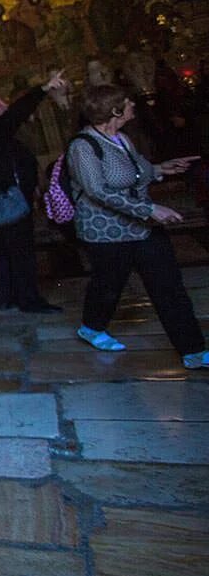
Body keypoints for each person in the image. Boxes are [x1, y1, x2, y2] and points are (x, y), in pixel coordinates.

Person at [65, 84, 207, 369]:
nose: (133, 106)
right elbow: (99, 191)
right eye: (127, 103)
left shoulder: (122, 138)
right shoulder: (83, 147)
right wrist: (150, 208)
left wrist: (162, 168)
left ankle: (193, 351)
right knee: (109, 286)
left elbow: (136, 170)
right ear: (115, 111)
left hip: (142, 228)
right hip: (107, 234)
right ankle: (91, 328)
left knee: (168, 287)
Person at [0, 70, 69, 313]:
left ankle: (7, 295)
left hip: (7, 197)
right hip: (8, 200)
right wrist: (44, 88)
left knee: (7, 250)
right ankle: (29, 300)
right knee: (22, 252)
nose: (3, 104)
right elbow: (18, 112)